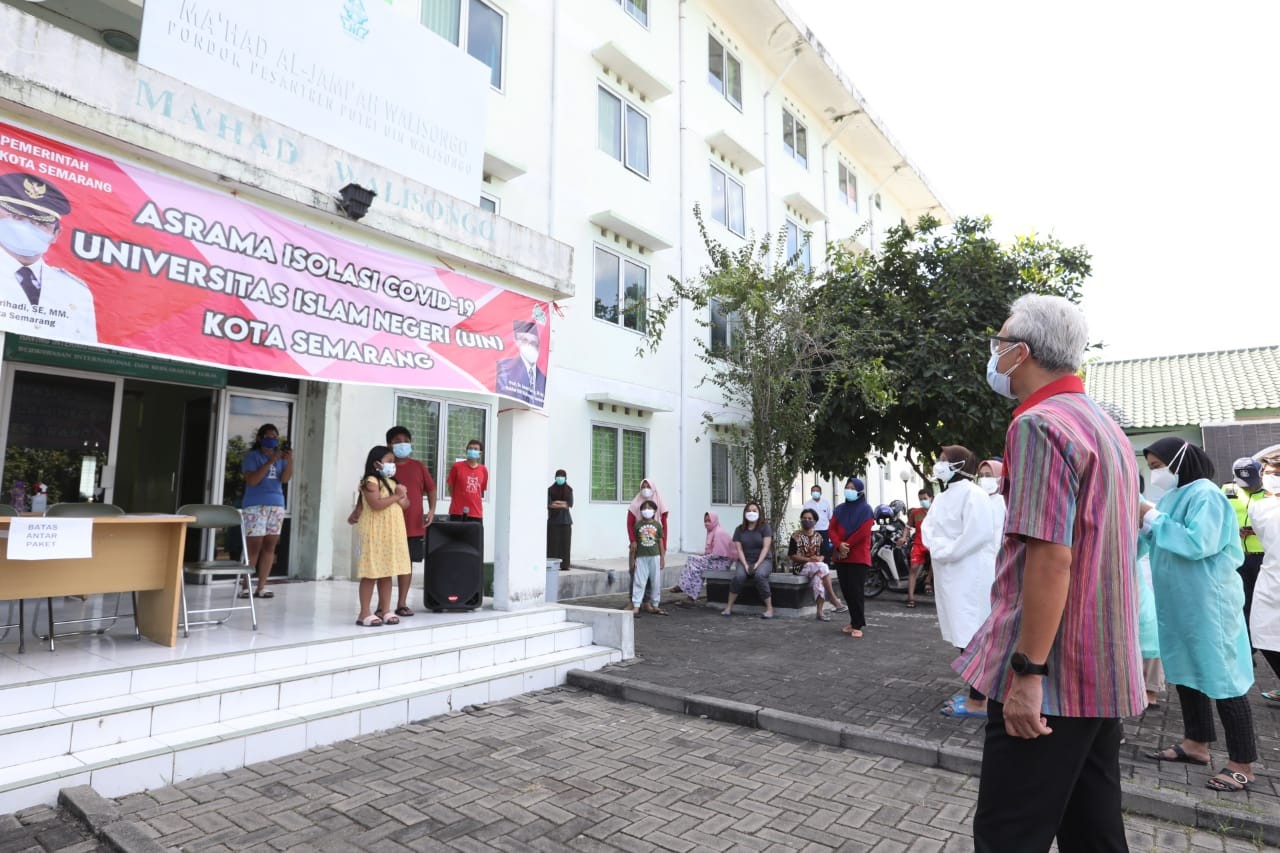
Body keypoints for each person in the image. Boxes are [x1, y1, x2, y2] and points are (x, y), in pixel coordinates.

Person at [955, 294, 1143, 852]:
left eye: (1001, 342)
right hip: (1102, 664)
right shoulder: (1104, 426)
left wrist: (1028, 674)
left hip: (1052, 677)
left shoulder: (1038, 425)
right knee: (1094, 833)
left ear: (1022, 352)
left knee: (1007, 835)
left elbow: (1051, 557)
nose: (994, 353)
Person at [1140, 438, 1257, 794]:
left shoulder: (1206, 494)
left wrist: (1150, 515)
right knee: (1188, 672)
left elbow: (1198, 543)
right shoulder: (1173, 497)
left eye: (1159, 464)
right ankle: (1196, 743)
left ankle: (1243, 764)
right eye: (1152, 466)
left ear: (1179, 461)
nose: (1155, 472)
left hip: (1209, 602)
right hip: (1180, 603)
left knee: (1222, 677)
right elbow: (1151, 539)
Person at [922, 446, 998, 719]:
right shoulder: (944, 496)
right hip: (949, 575)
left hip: (970, 574)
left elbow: (978, 534)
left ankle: (981, 700)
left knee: (973, 634)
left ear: (959, 464)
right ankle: (975, 692)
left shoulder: (974, 494)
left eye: (944, 460)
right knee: (961, 634)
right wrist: (942, 549)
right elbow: (927, 530)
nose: (939, 464)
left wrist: (946, 550)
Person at [0, 172, 97, 343]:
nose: (27, 227)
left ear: (56, 234)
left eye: (40, 222)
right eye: (17, 217)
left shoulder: (76, 292)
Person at [354, 446, 411, 627]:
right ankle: (364, 613)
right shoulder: (370, 481)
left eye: (393, 462)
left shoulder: (392, 482)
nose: (392, 465)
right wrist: (397, 496)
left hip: (390, 533)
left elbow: (405, 504)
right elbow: (376, 504)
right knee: (371, 573)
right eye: (389, 461)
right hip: (374, 532)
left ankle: (385, 610)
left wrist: (402, 495)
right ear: (376, 463)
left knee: (386, 572)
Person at [383, 425, 436, 618]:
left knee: (406, 565)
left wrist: (431, 510)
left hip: (413, 525)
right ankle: (384, 606)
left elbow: (431, 488)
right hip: (388, 524)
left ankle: (402, 603)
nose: (402, 444)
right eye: (397, 441)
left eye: (405, 441)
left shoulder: (418, 466)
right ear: (389, 444)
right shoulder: (385, 467)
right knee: (386, 564)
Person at [239, 423, 293, 599]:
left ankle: (261, 586)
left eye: (275, 437)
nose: (272, 440)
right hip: (255, 505)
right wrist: (270, 461)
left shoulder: (281, 459)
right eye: (268, 436)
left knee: (270, 545)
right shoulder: (252, 457)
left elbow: (285, 479)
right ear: (260, 438)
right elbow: (252, 480)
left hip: (276, 504)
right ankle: (246, 585)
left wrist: (289, 460)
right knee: (254, 546)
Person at [1223, 457, 1267, 650]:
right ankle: (1247, 649)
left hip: (1263, 558)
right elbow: (1217, 519)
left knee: (1264, 604)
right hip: (1236, 558)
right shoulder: (1226, 492)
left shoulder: (1271, 494)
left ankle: (1264, 643)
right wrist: (1233, 531)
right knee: (1240, 603)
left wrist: (1260, 529)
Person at [1247, 449, 1280, 700]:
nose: (1271, 477)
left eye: (1276, 473)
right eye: (1268, 473)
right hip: (1272, 579)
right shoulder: (1260, 508)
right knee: (1263, 633)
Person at [829, 477, 874, 638]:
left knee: (856, 590)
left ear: (860, 492)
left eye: (853, 488)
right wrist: (838, 544)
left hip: (858, 556)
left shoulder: (866, 510)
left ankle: (858, 624)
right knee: (846, 590)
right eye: (847, 487)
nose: (849, 490)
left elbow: (863, 532)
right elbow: (831, 528)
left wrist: (845, 546)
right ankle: (853, 620)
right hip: (842, 556)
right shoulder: (839, 509)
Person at [789, 508, 845, 621]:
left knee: (818, 580)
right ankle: (833, 599)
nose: (806, 520)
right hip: (800, 567)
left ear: (815, 521)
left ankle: (820, 612)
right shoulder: (795, 536)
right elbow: (792, 555)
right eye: (804, 518)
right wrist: (809, 560)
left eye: (810, 518)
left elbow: (824, 554)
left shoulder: (819, 537)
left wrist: (819, 558)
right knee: (823, 567)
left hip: (816, 568)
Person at [722, 502, 775, 619]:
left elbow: (766, 547)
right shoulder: (739, 529)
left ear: (759, 513)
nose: (751, 513)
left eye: (754, 510)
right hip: (745, 559)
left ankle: (769, 608)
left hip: (763, 560)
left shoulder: (765, 527)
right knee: (739, 577)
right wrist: (745, 565)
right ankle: (729, 607)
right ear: (745, 513)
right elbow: (739, 550)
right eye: (749, 510)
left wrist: (757, 564)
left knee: (760, 575)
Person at [675, 512, 736, 605]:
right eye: (705, 521)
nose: (706, 523)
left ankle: (683, 586)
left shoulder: (719, 533)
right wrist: (703, 556)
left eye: (709, 520)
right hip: (716, 561)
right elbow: (711, 552)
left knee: (692, 559)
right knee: (696, 568)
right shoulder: (712, 532)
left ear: (714, 520)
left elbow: (717, 554)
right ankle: (690, 598)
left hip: (722, 562)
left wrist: (703, 557)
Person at [626, 479, 668, 603]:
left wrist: (663, 547)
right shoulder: (635, 503)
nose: (645, 489)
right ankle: (633, 602)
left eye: (648, 486)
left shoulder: (659, 502)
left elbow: (664, 525)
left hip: (654, 546)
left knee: (652, 577)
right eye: (643, 486)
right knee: (635, 573)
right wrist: (633, 541)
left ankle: (647, 602)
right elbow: (629, 524)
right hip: (637, 544)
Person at [494, 320, 547, 407]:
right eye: (524, 340)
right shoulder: (505, 368)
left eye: (533, 343)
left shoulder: (543, 379)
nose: (529, 346)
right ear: (517, 341)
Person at [904, 487, 933, 607]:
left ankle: (927, 580)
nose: (922, 501)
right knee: (913, 569)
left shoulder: (938, 511)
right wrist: (904, 537)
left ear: (931, 498)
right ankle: (910, 598)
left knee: (938, 561)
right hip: (918, 544)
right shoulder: (915, 513)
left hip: (933, 544)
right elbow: (907, 527)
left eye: (925, 499)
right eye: (920, 499)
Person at [447, 439, 487, 522]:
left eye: (475, 449)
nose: (472, 450)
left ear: (480, 453)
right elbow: (450, 486)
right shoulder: (457, 467)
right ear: (467, 451)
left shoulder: (483, 470)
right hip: (457, 512)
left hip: (476, 513)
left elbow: (481, 489)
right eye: (470, 448)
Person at [547, 469, 574, 571]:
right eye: (558, 476)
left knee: (565, 545)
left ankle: (565, 565)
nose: (560, 478)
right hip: (553, 522)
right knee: (553, 544)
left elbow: (569, 505)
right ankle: (552, 564)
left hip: (566, 521)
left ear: (565, 478)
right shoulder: (550, 490)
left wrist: (556, 502)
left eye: (562, 476)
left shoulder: (569, 490)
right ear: (555, 477)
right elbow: (549, 504)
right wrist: (562, 503)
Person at [802, 485, 834, 559]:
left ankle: (826, 566)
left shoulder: (826, 503)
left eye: (817, 491)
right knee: (813, 550)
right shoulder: (807, 504)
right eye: (813, 491)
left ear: (821, 492)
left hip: (824, 530)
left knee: (825, 549)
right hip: (812, 531)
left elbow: (830, 517)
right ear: (811, 493)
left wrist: (831, 530)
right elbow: (804, 518)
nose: (815, 492)